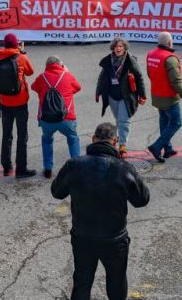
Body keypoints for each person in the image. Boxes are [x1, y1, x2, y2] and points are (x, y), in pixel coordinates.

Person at [51, 122, 150, 300]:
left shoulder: (74, 165)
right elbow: (142, 200)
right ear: (115, 141)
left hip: (83, 236)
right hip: (114, 239)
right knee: (116, 282)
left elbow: (57, 192)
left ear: (93, 139)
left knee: (82, 281)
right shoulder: (124, 168)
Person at [0, 33, 37, 177]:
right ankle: (21, 169)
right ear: (17, 44)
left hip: (4, 100)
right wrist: (21, 52)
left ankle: (7, 166)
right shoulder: (21, 58)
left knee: (7, 134)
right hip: (20, 101)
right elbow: (30, 72)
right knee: (22, 135)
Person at [31, 55, 82, 178]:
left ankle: (48, 169)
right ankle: (77, 168)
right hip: (66, 117)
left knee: (47, 140)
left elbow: (33, 87)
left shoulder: (42, 77)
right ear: (61, 65)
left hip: (47, 119)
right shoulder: (67, 76)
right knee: (72, 138)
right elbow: (78, 87)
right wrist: (67, 72)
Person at [146, 32, 182, 163]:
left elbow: (150, 74)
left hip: (156, 95)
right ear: (170, 42)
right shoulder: (170, 58)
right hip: (169, 97)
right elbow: (176, 81)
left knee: (164, 121)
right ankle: (156, 146)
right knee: (176, 122)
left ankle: (168, 148)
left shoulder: (151, 54)